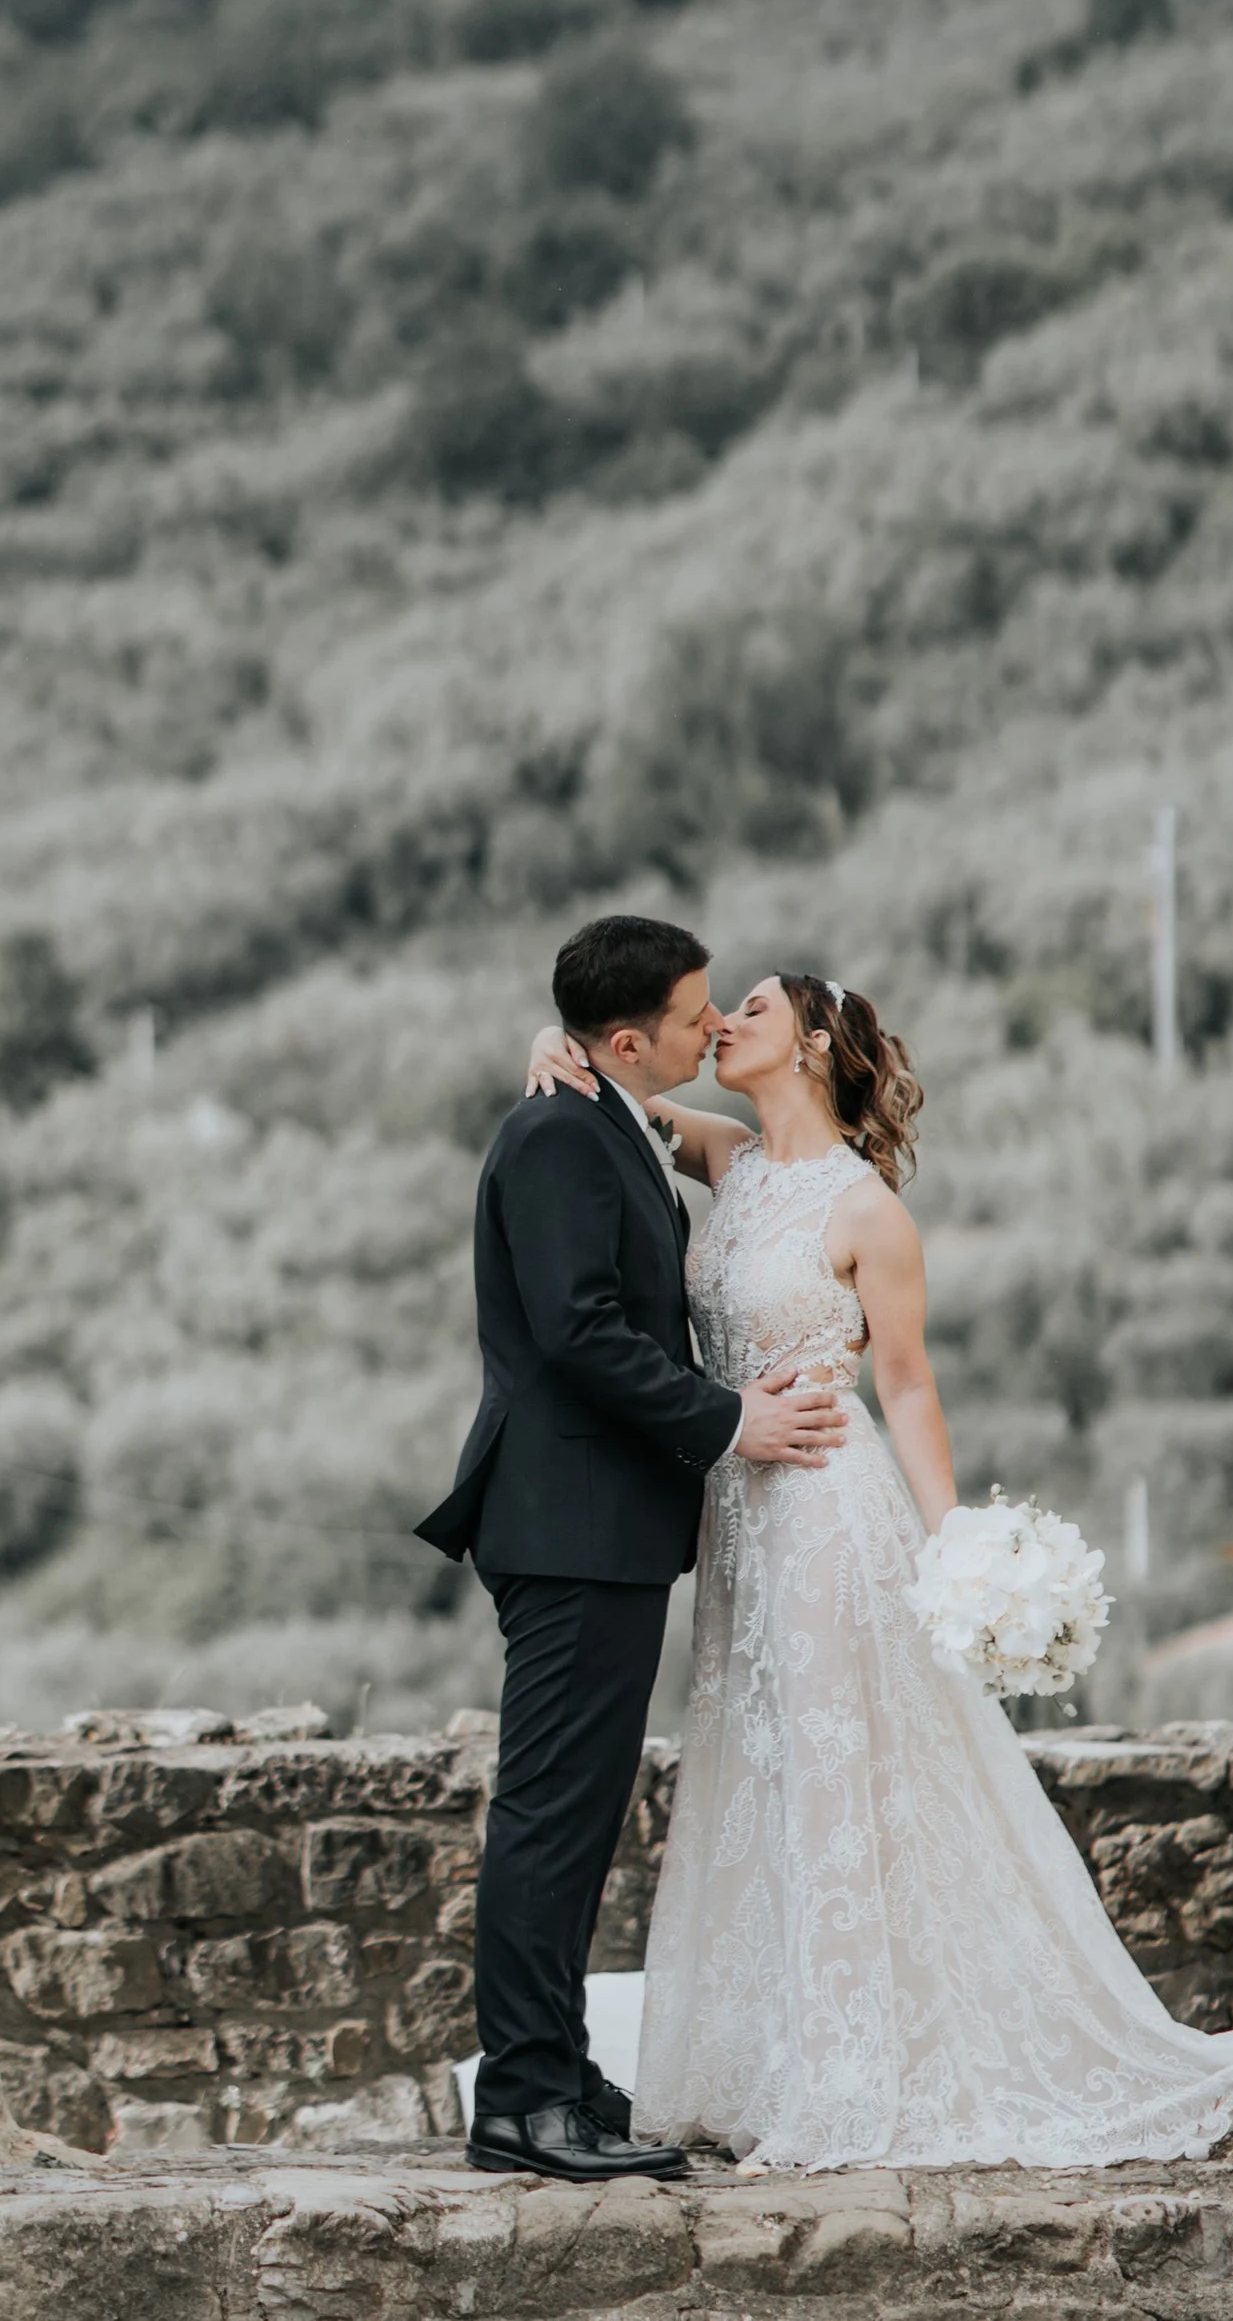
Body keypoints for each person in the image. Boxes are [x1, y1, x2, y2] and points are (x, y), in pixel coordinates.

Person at [524, 966, 1233, 2172]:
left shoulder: (863, 1211)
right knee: (754, 1762)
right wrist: (549, 1038)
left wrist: (951, 1541)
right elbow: (611, 1085)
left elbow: (906, 1385)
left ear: (808, 1043)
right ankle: (768, 2060)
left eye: (751, 1007)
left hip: (822, 1507)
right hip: (738, 1515)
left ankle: (850, 2073)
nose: (721, 1024)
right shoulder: (731, 1160)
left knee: (825, 1766)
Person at [415, 914, 851, 2183]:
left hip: (600, 1525)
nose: (711, 1027)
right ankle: (521, 2101)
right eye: (692, 1013)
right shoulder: (560, 1133)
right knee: (551, 1815)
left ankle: (557, 2073)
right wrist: (729, 1420)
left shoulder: (601, 1111)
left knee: (577, 1812)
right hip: (570, 1523)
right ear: (623, 1040)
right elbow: (577, 1333)